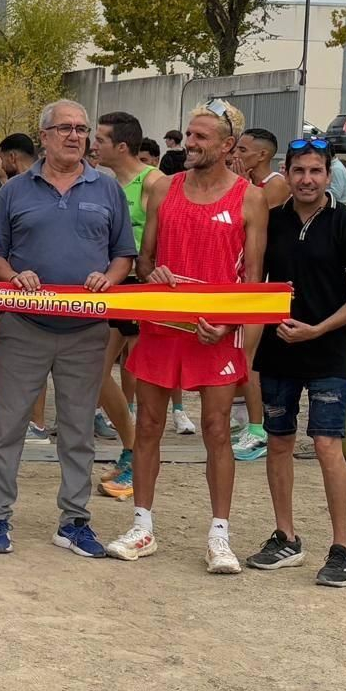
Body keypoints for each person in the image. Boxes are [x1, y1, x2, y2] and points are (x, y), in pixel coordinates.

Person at [107, 102, 267, 574]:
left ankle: (220, 535)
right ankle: (142, 526)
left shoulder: (248, 198)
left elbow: (254, 283)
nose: (190, 144)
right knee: (150, 426)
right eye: (190, 136)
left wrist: (230, 325)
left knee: (217, 430)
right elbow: (142, 261)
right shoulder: (163, 189)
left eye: (201, 138)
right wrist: (151, 272)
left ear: (227, 146)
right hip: (162, 329)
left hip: (215, 333)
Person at [0, 100, 135, 559]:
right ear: (43, 135)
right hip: (24, 327)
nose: (75, 136)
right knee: (7, 426)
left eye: (82, 129)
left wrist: (112, 277)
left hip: (86, 331)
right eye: (65, 128)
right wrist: (12, 277)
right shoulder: (14, 192)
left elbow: (124, 253)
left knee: (77, 431)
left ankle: (74, 521)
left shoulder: (106, 189)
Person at [244, 138, 346, 586]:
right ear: (288, 170)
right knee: (277, 441)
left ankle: (343, 548)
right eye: (299, 171)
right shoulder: (271, 220)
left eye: (316, 171)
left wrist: (317, 330)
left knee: (325, 445)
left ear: (329, 173)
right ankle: (286, 537)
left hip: (329, 353)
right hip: (278, 350)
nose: (307, 179)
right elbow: (251, 283)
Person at [90, 111, 169, 501]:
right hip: (113, 286)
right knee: (95, 371)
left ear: (122, 146)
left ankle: (140, 463)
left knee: (143, 377)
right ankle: (130, 446)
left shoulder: (155, 183)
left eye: (100, 139)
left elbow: (166, 242)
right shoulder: (105, 185)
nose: (93, 145)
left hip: (144, 288)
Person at [228, 127, 291, 463]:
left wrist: (241, 185)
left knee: (248, 360)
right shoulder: (249, 183)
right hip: (243, 280)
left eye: (242, 149)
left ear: (262, 155)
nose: (236, 154)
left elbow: (254, 215)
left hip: (261, 283)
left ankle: (257, 429)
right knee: (238, 355)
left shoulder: (275, 183)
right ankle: (245, 421)